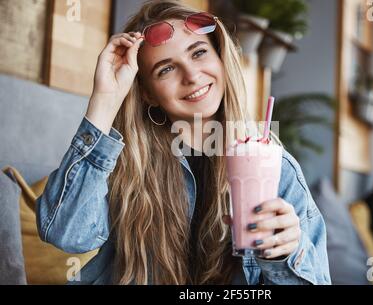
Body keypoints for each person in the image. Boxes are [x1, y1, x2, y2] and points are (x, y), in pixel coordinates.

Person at [36, 0, 330, 285]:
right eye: (166, 69)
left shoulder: (275, 169)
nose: (191, 75)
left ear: (220, 58)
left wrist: (286, 253)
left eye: (199, 52)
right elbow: (65, 233)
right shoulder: (125, 165)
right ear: (148, 94)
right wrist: (103, 101)